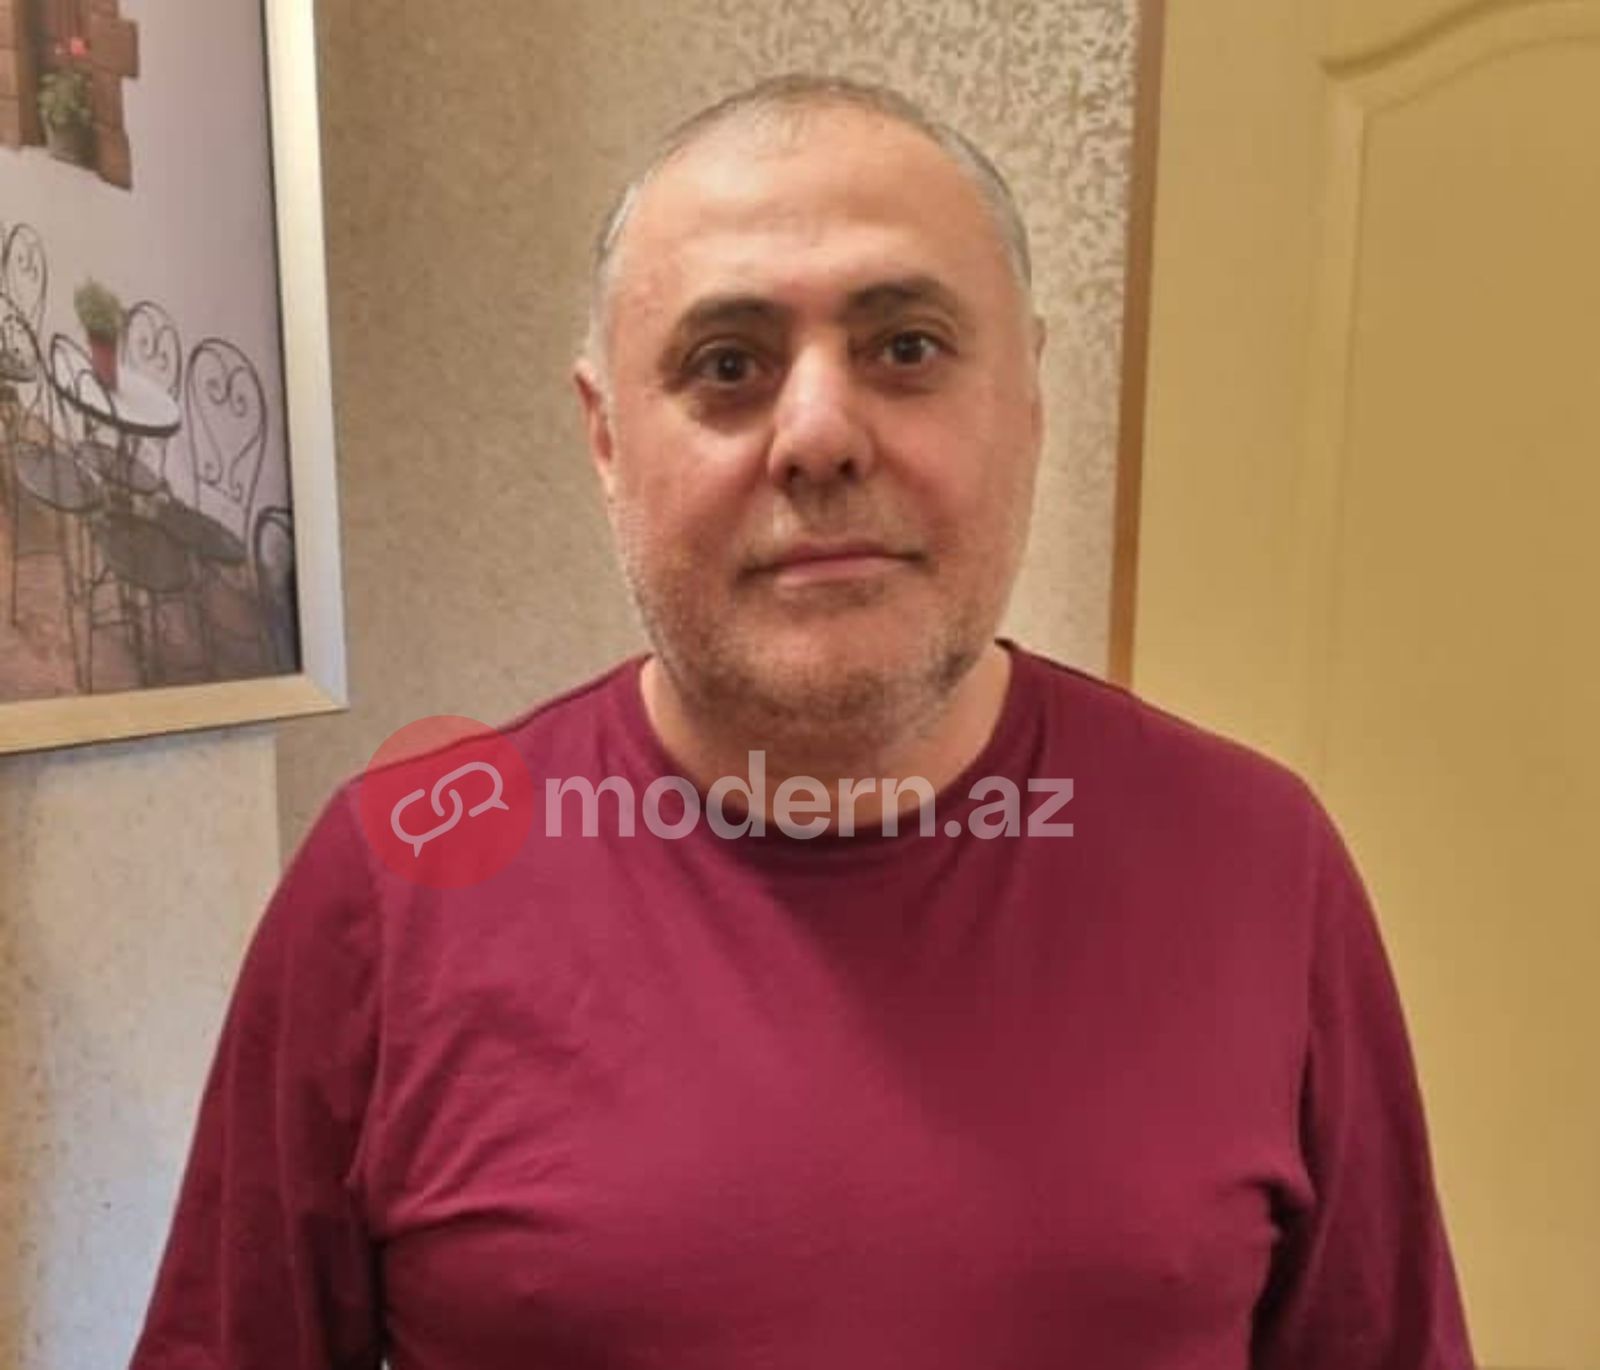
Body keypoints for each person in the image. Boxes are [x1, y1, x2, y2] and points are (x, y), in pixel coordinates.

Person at [127, 74, 1478, 1368]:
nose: (819, 434)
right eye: (728, 364)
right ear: (605, 438)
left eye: (907, 348)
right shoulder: (395, 879)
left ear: (1027, 397)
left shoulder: (1260, 863)